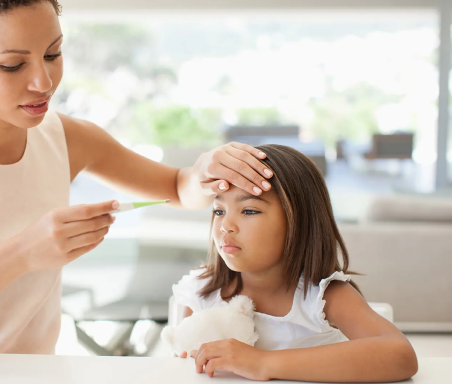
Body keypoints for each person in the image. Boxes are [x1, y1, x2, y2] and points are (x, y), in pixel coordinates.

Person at [0, 0, 274, 362]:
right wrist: (21, 254)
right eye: (13, 65)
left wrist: (204, 172)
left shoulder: (68, 137)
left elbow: (176, 188)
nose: (43, 82)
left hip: (39, 372)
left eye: (53, 54)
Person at [173, 144, 418, 382]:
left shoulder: (322, 297)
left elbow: (400, 355)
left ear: (298, 222)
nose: (226, 225)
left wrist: (262, 363)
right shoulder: (201, 292)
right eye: (219, 211)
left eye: (248, 211)